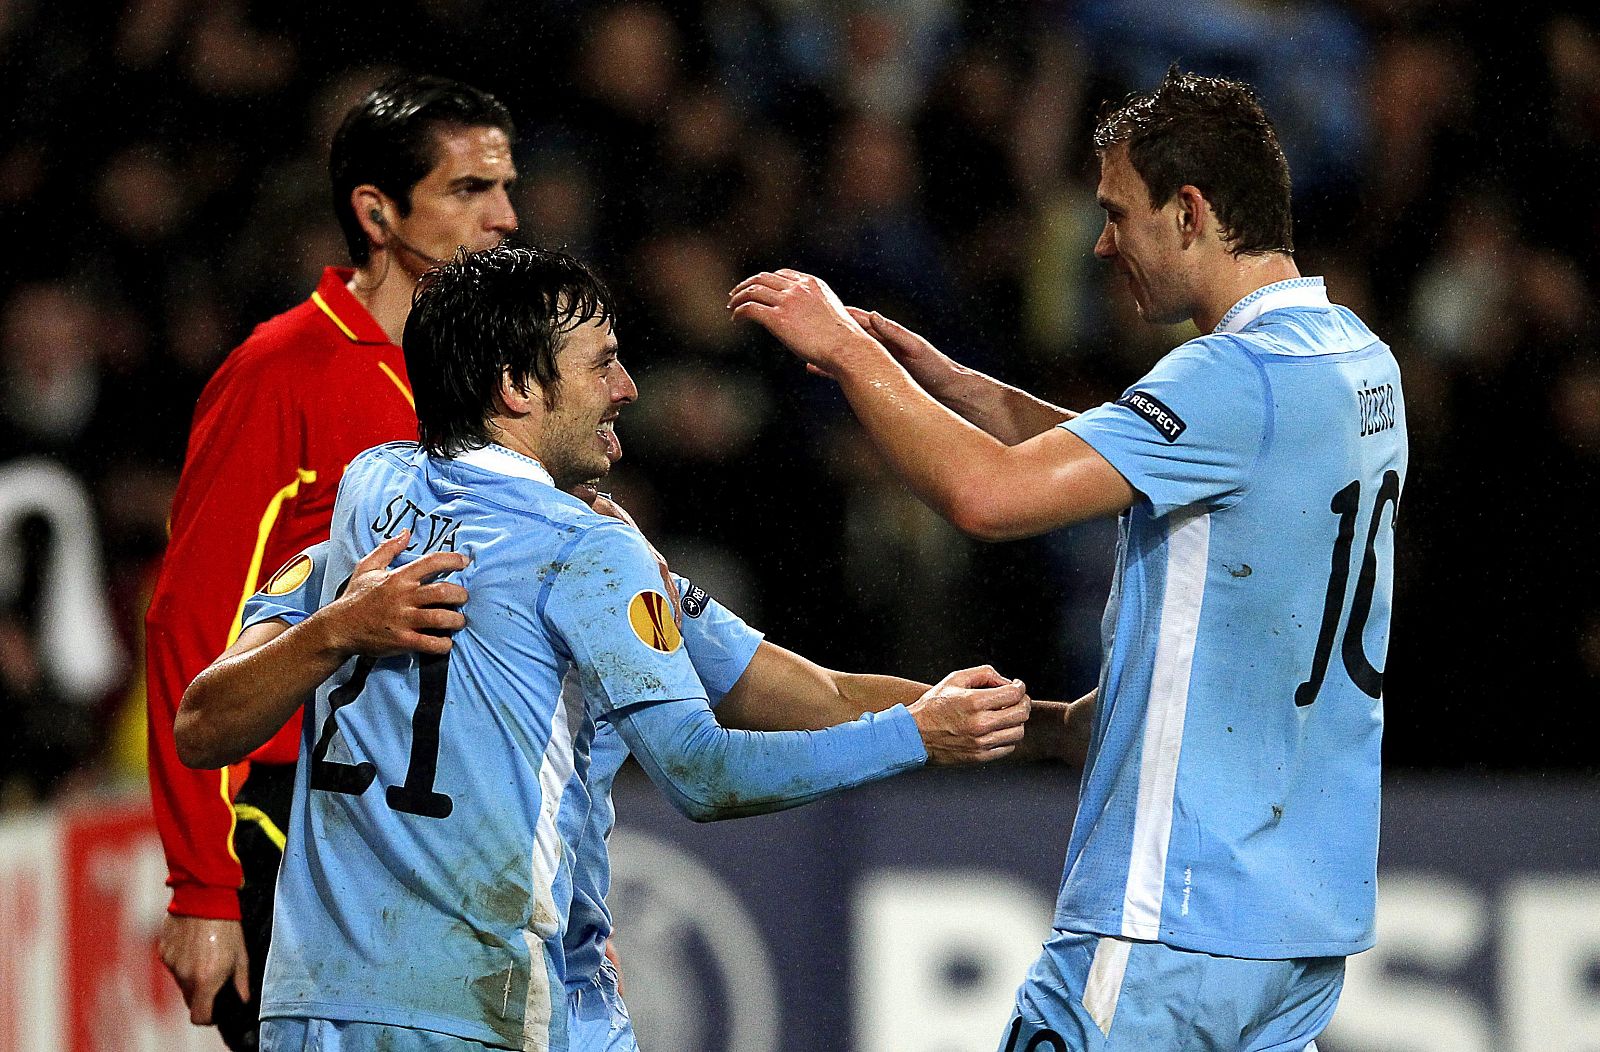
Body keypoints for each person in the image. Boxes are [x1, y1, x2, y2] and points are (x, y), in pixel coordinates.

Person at [179, 242, 1034, 1052]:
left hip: (315, 1002)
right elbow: (702, 771)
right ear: (516, 385)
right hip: (485, 1002)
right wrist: (914, 738)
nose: (627, 387)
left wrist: (1003, 717)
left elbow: (202, 726)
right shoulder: (590, 550)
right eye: (602, 363)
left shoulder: (370, 493)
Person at [730, 68, 1407, 1051]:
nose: (1099, 243)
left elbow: (990, 497)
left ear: (1189, 213)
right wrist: (960, 385)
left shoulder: (1230, 375)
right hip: (1294, 931)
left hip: (1166, 913)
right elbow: (1161, 463)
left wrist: (845, 353)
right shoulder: (1353, 360)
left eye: (1114, 212)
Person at [145, 72, 520, 1049]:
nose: (505, 216)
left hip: (427, 836)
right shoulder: (282, 372)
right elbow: (189, 623)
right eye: (468, 190)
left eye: (505, 187)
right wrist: (202, 888)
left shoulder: (484, 386)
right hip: (287, 823)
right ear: (376, 211)